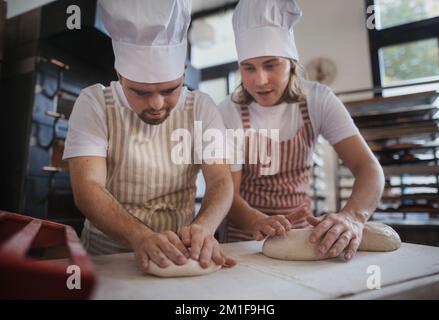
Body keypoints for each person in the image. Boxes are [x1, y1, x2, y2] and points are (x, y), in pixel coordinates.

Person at [63, 0, 235, 271]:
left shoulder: (201, 107)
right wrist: (139, 236)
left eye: (169, 90)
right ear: (120, 75)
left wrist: (203, 228)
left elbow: (220, 180)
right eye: (140, 92)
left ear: (183, 72)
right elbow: (87, 188)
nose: (156, 104)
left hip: (181, 254)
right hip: (106, 258)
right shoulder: (94, 102)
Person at [218, 0, 384, 261]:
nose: (259, 80)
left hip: (301, 233)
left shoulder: (318, 100)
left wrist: (353, 216)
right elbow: (227, 191)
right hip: (243, 237)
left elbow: (369, 168)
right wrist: (258, 222)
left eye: (271, 64)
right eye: (248, 67)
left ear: (291, 62)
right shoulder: (228, 111)